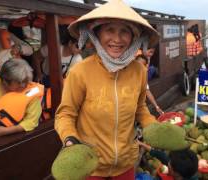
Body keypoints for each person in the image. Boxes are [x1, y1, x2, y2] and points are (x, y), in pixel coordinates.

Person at [53, 0, 190, 179]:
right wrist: (70, 140)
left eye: (124, 31)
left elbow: (140, 108)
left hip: (126, 163)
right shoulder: (80, 72)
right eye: (109, 30)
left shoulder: (139, 71)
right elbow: (65, 114)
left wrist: (153, 127)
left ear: (134, 38)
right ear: (97, 34)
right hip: (90, 165)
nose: (117, 39)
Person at [0, 59, 43, 145]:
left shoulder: (30, 92)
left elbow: (31, 121)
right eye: (19, 82)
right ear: (5, 81)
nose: (23, 85)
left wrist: (5, 131)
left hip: (13, 140)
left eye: (25, 81)